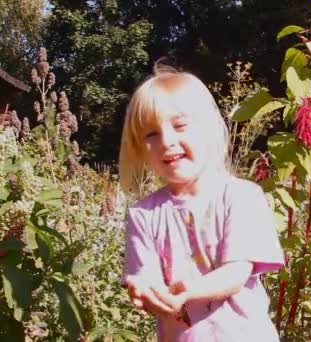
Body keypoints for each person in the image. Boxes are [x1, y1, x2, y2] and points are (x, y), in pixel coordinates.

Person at [118, 65, 285, 341]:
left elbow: (236, 272)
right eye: (151, 135)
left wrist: (188, 291)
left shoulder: (242, 197)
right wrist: (144, 291)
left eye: (180, 126)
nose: (167, 141)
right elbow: (144, 278)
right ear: (139, 149)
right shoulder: (143, 215)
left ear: (209, 128)